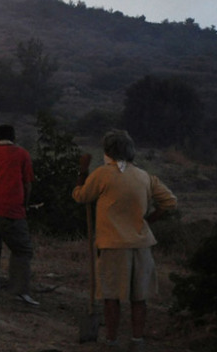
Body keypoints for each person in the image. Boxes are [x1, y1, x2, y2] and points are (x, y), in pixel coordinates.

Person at [73, 130, 177, 348]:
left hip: (113, 245)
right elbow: (169, 202)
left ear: (108, 151)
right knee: (139, 298)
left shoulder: (102, 174)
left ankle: (112, 341)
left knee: (112, 296)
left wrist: (82, 172)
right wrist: (149, 220)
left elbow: (81, 196)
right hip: (141, 245)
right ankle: (136, 341)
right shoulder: (144, 176)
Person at [0, 124, 38, 306]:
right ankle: (19, 291)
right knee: (22, 250)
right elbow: (28, 184)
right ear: (14, 137)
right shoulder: (22, 154)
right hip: (10, 209)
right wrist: (24, 205)